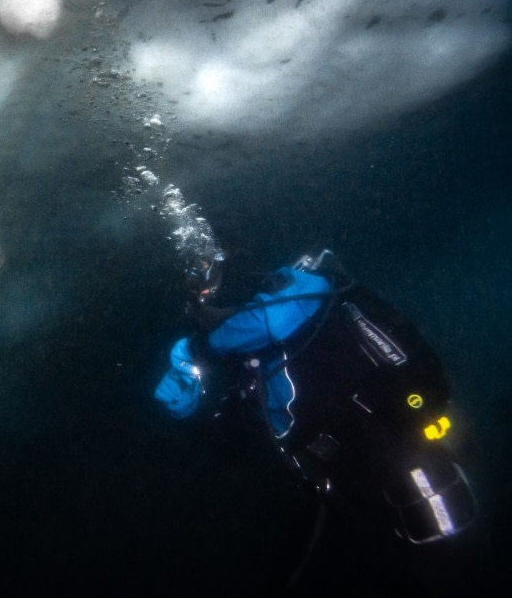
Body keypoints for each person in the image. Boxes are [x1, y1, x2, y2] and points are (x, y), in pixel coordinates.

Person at [153, 249, 479, 595]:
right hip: (393, 457)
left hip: (377, 475)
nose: (199, 317)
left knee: (435, 562)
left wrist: (198, 362)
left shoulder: (267, 341)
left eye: (202, 306)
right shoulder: (317, 301)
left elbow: (241, 437)